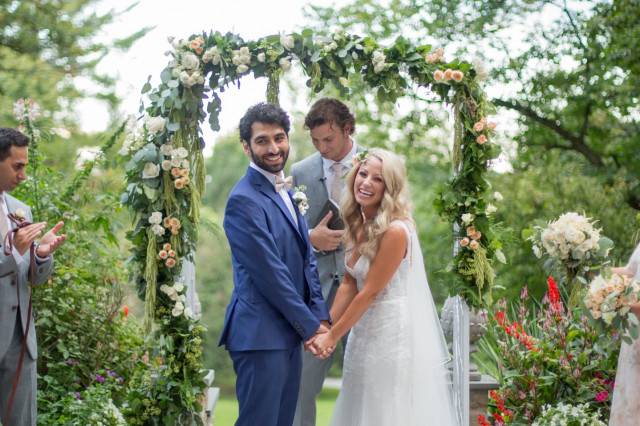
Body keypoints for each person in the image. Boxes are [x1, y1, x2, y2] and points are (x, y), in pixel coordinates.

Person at [310, 148, 456, 425]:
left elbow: (370, 291)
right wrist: (325, 325)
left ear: (389, 187)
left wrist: (331, 338)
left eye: (377, 179)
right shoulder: (359, 223)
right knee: (358, 400)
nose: (365, 183)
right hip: (362, 332)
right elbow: (350, 283)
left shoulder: (395, 231)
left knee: (383, 406)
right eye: (363, 174)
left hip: (389, 333)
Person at [218, 103, 330, 426]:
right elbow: (272, 275)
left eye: (279, 138)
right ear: (246, 146)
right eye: (262, 140)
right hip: (260, 336)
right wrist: (310, 328)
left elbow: (306, 258)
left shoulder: (287, 189)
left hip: (287, 334)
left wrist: (319, 315)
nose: (273, 148)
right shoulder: (243, 201)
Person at [291, 98, 363, 426]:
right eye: (315, 141)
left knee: (367, 382)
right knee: (302, 384)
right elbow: (287, 231)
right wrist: (310, 237)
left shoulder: (373, 165)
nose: (322, 147)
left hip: (364, 290)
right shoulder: (300, 172)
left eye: (328, 140)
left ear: (347, 129)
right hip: (315, 296)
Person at [0, 128, 66, 425]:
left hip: (21, 338)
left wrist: (40, 254)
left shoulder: (20, 209)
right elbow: (11, 257)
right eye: (18, 166)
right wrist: (13, 252)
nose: (23, 175)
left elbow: (33, 279)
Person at [609, 242, 640, 426]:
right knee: (629, 394)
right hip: (634, 333)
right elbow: (631, 272)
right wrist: (598, 275)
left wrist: (621, 303)